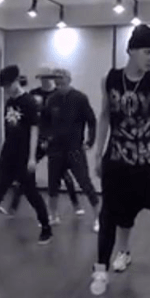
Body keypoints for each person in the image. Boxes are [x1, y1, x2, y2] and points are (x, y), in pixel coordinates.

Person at [91, 25, 150, 295]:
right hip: (117, 166)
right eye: (147, 51)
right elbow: (104, 116)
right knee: (110, 217)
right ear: (131, 50)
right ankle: (101, 269)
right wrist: (98, 153)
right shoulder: (110, 79)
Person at [0, 65, 52, 244]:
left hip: (23, 155)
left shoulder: (29, 102)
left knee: (31, 193)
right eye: (3, 86)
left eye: (7, 85)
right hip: (8, 154)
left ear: (15, 82)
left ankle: (46, 228)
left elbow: (34, 130)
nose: (5, 90)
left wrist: (32, 158)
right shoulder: (10, 102)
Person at [1, 67, 70, 215]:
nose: (44, 80)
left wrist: (53, 137)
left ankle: (76, 205)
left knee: (62, 171)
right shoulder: (34, 94)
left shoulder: (57, 95)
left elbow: (59, 119)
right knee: (25, 171)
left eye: (46, 78)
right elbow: (30, 115)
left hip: (52, 138)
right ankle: (12, 207)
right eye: (42, 78)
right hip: (38, 136)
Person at [46, 68, 101, 228]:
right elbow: (44, 121)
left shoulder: (80, 98)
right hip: (56, 149)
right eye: (57, 82)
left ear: (69, 80)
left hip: (75, 149)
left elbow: (92, 121)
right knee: (53, 185)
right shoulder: (52, 99)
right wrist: (46, 138)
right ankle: (53, 216)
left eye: (62, 81)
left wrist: (90, 141)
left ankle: (98, 218)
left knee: (85, 183)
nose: (59, 84)